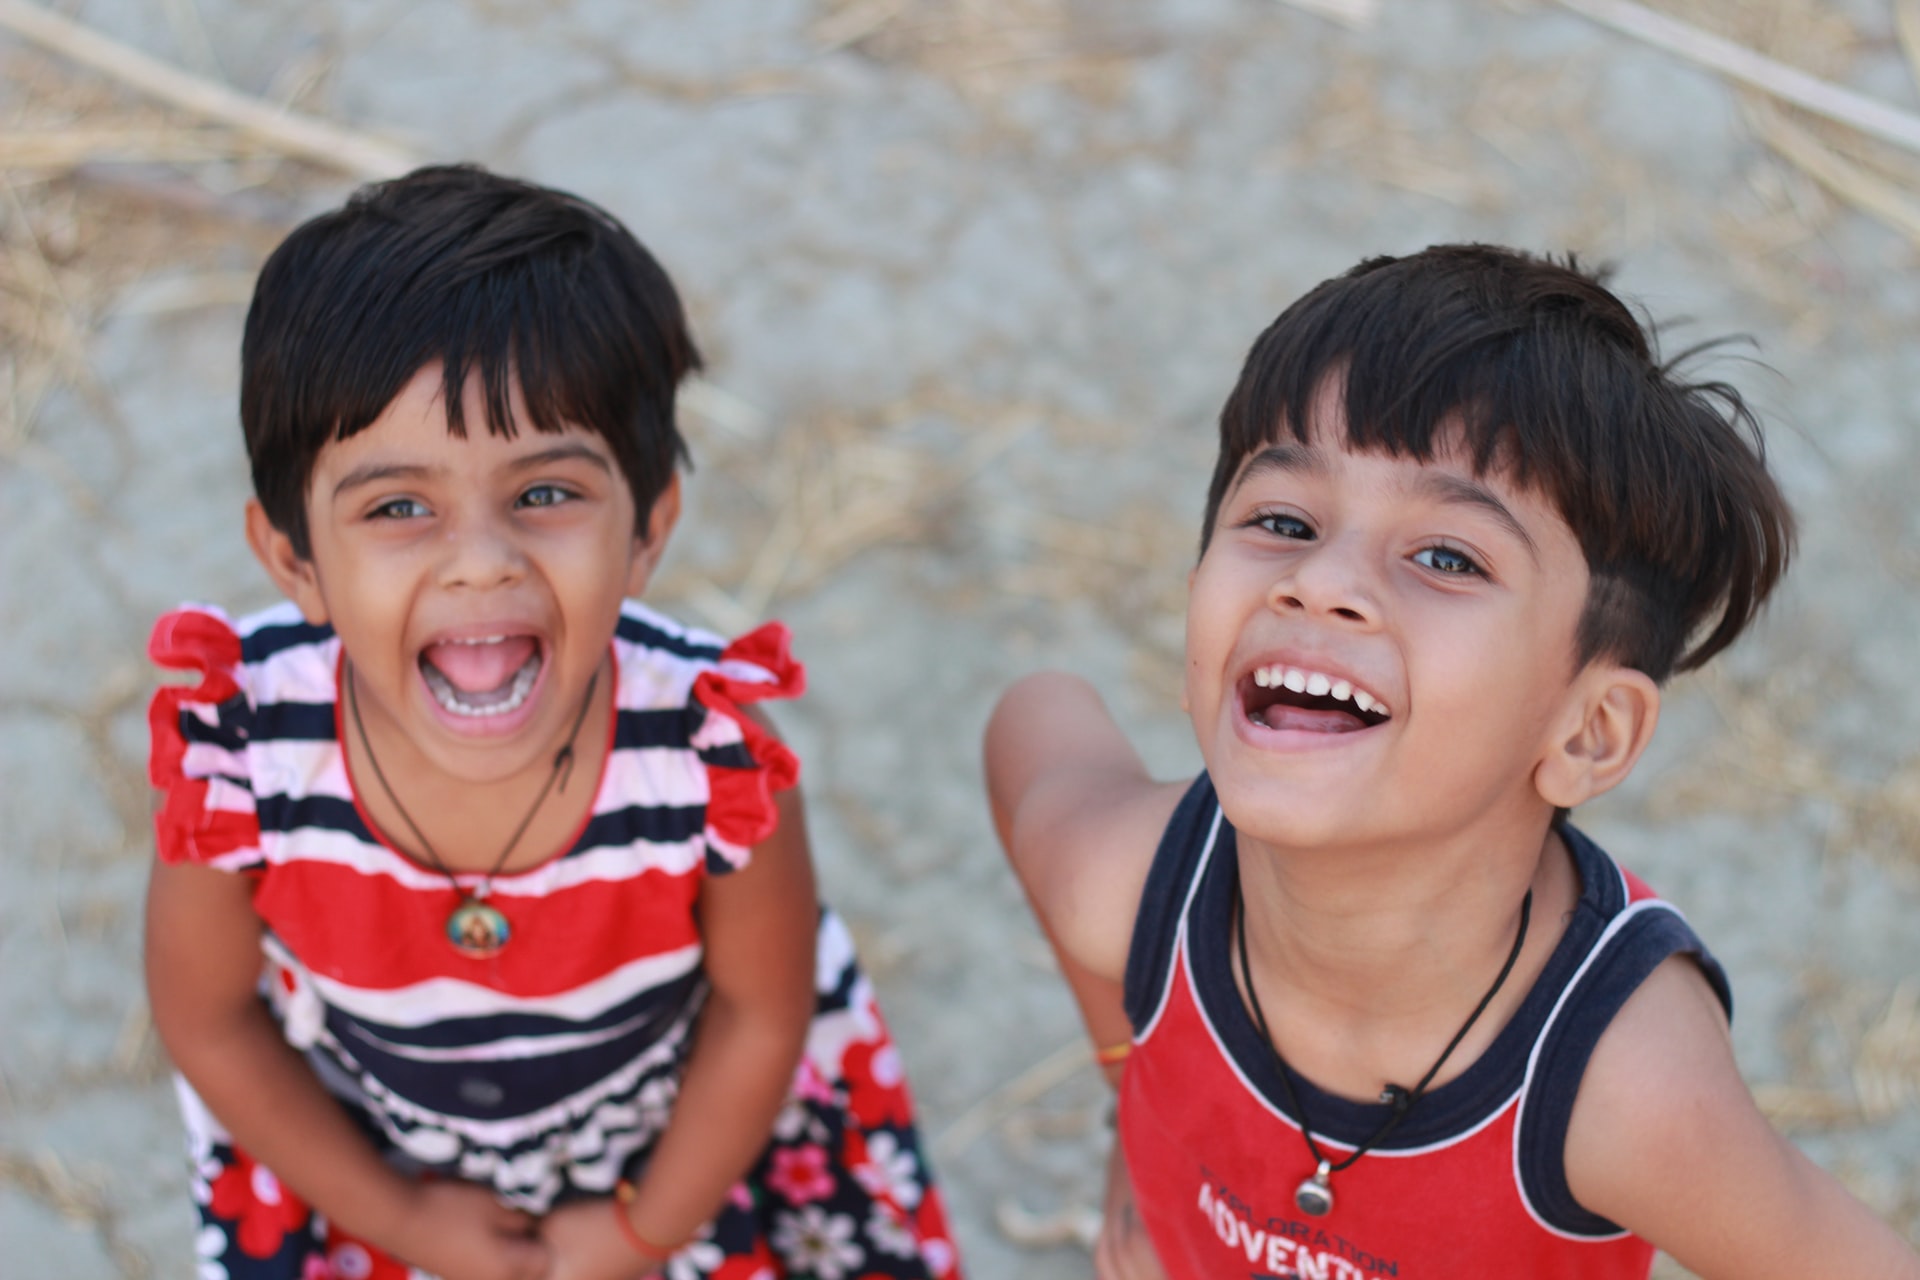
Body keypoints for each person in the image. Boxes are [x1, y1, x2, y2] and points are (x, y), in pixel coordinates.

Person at [985, 245, 1920, 1279]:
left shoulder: (1617, 1084)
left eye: (1447, 557)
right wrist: (1129, 1076)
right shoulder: (1128, 884)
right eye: (1283, 519)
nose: (1320, 578)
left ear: (1586, 732)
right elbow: (1036, 718)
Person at [145, 165, 960, 1280]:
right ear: (294, 559)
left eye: (544, 493)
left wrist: (644, 1229)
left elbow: (764, 1014)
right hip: (370, 1169)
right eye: (397, 507)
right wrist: (406, 1221)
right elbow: (208, 1021)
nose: (481, 560)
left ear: (648, 528)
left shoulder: (712, 756)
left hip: (677, 1155)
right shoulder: (243, 752)